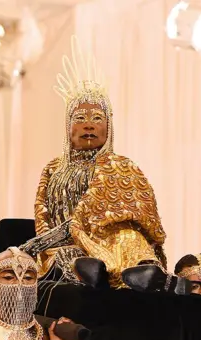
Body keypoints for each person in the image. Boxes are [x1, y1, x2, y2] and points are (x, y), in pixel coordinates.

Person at [30, 38, 166, 290]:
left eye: (97, 118)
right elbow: (42, 215)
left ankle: (143, 275)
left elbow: (141, 216)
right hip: (64, 245)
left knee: (128, 237)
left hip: (112, 241)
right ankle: (96, 270)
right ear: (67, 126)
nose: (89, 125)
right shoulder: (53, 168)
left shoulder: (119, 164)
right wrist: (46, 243)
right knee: (70, 258)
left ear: (109, 127)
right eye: (80, 118)